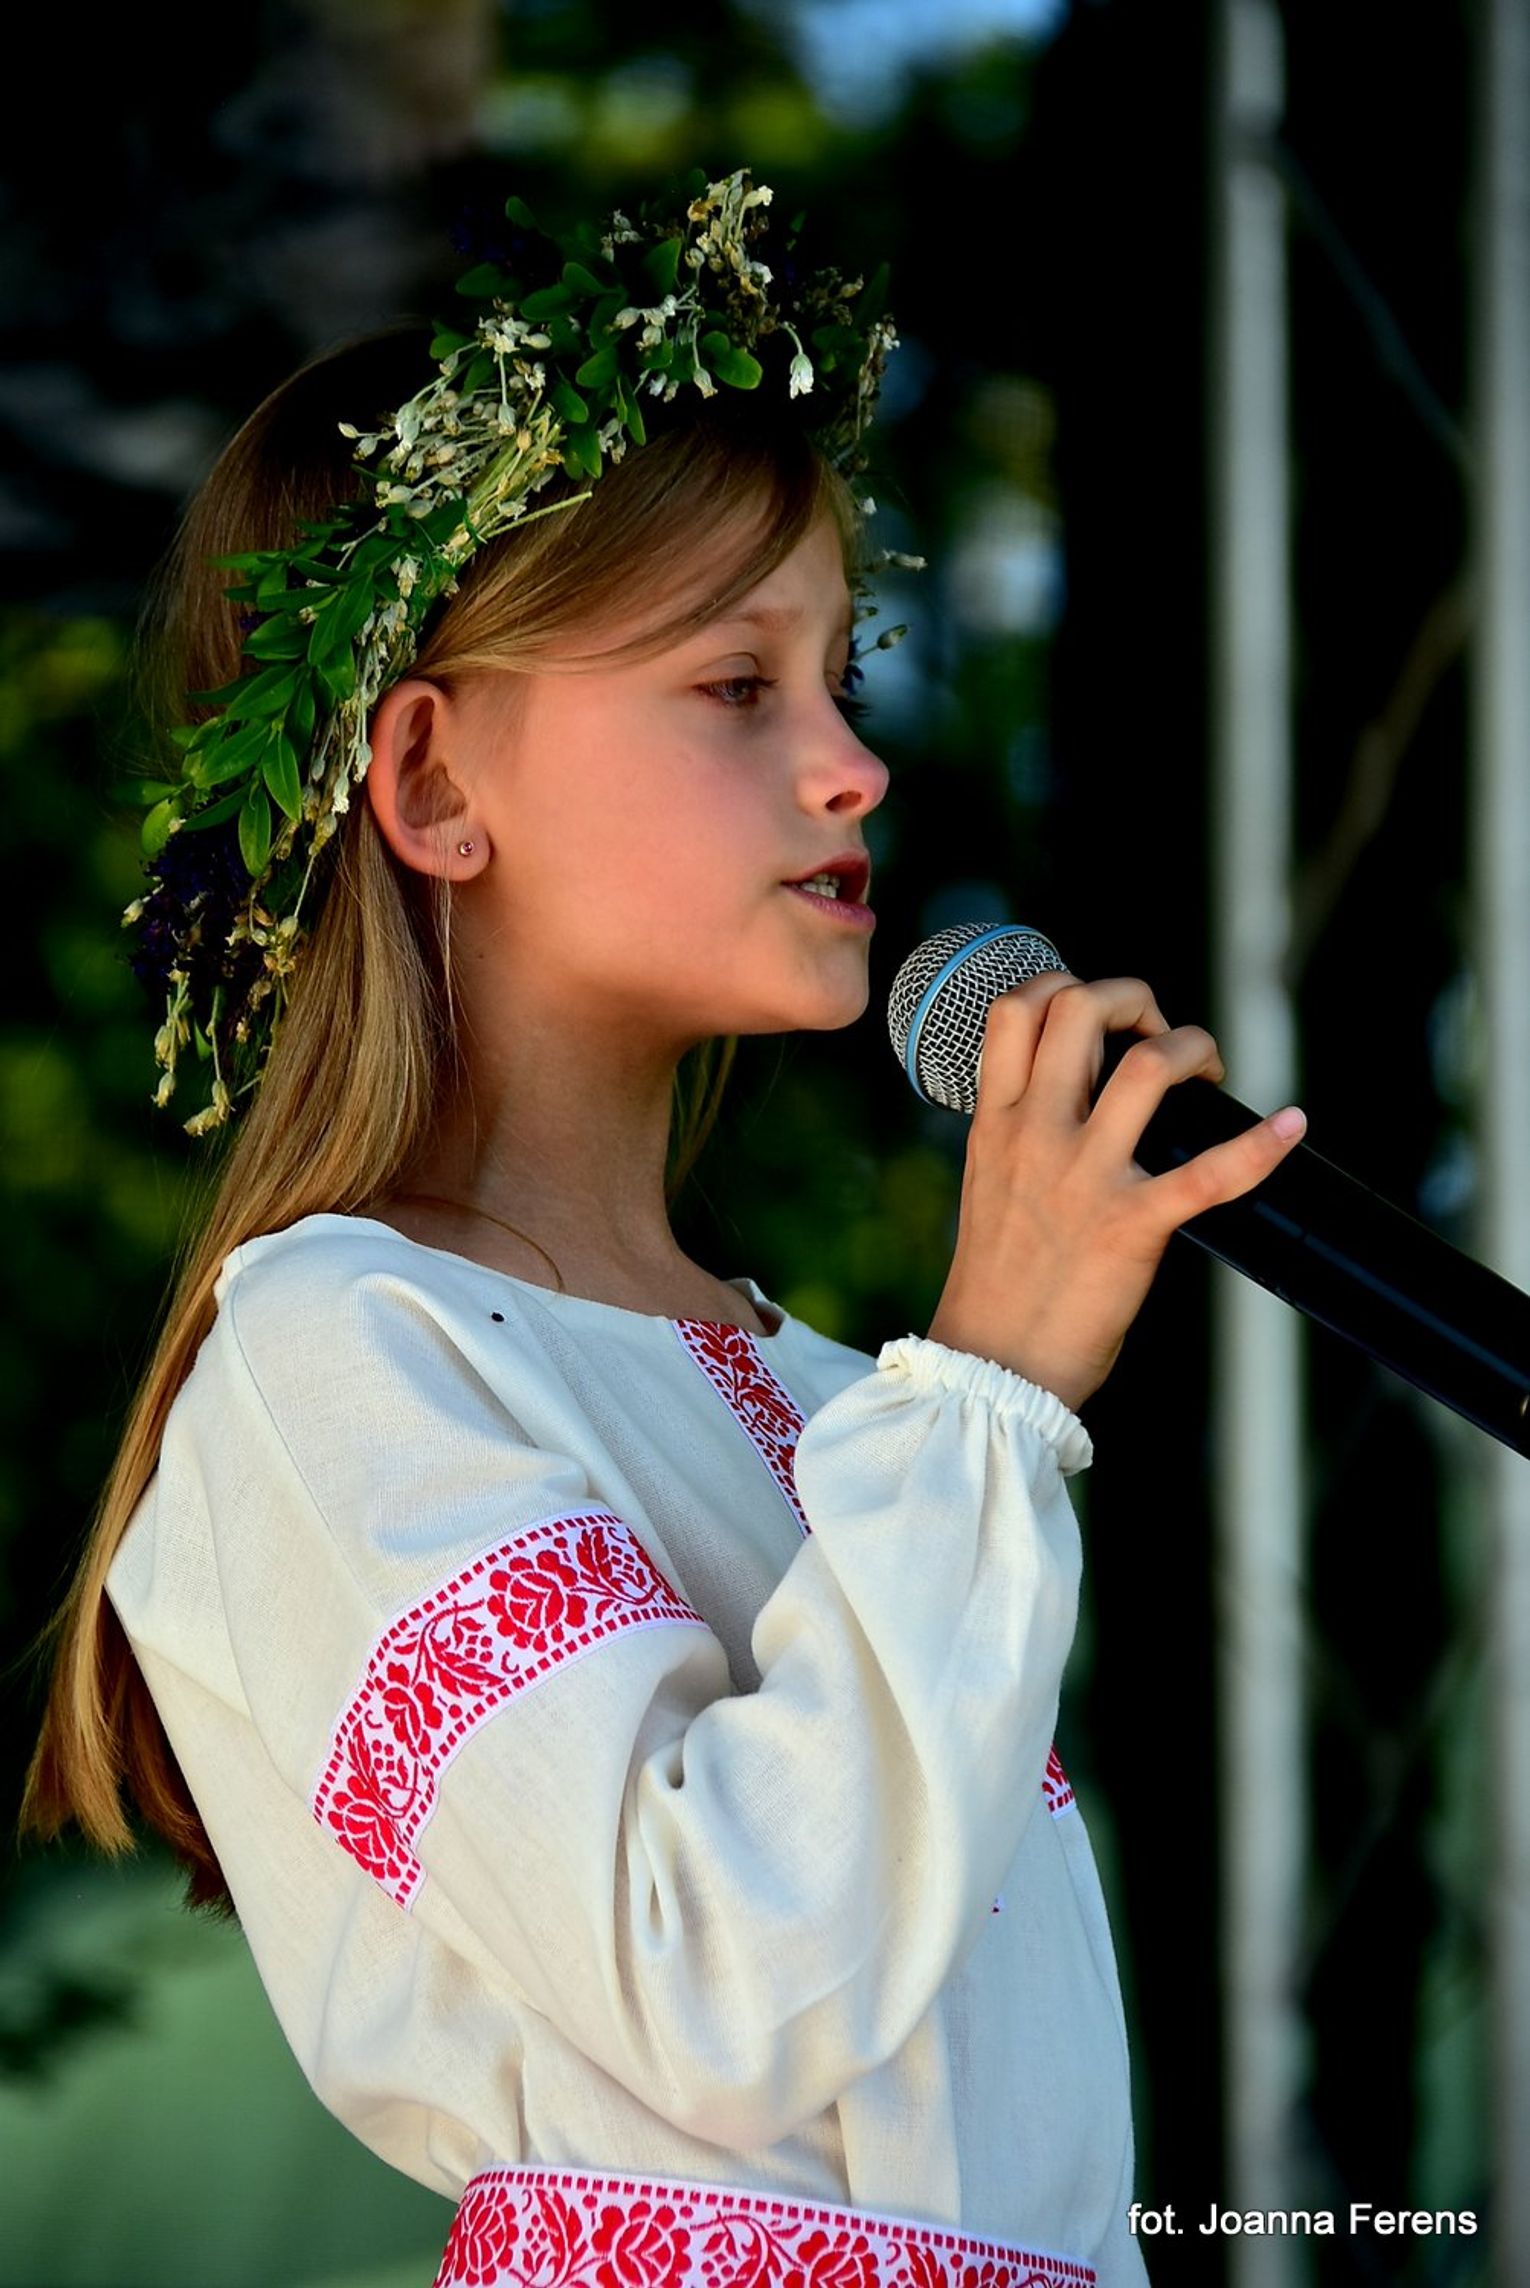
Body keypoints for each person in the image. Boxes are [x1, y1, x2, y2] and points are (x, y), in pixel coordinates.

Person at [21, 169, 1305, 2288]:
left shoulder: (844, 1401)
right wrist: (991, 1383)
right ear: (434, 784)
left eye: (841, 675)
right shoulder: (335, 1353)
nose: (852, 764)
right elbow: (723, 1985)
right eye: (733, 685)